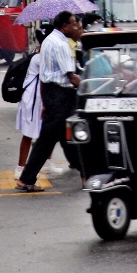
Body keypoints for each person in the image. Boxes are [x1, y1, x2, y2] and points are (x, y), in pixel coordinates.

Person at [15, 11, 86, 191]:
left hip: (52, 93)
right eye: (73, 25)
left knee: (69, 137)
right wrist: (88, 88)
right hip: (61, 95)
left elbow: (44, 76)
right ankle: (26, 179)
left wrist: (46, 101)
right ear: (64, 26)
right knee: (48, 139)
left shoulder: (48, 40)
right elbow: (70, 76)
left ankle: (87, 174)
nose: (76, 27)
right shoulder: (61, 44)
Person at [14, 28, 46, 170]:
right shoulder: (39, 58)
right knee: (29, 134)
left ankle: (46, 164)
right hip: (33, 100)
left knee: (45, 134)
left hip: (35, 99)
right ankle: (20, 167)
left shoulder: (39, 54)